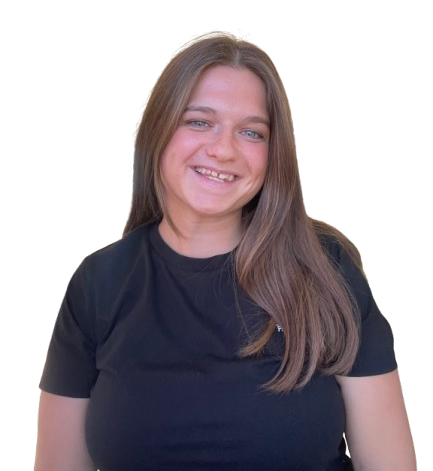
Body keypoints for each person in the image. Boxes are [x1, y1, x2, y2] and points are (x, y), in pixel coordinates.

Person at [35, 29, 417, 471]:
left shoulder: (325, 268)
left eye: (251, 132)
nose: (223, 150)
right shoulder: (97, 284)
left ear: (273, 154)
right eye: (199, 121)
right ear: (158, 130)